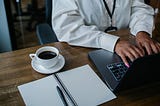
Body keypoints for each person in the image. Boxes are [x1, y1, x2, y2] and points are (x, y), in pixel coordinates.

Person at [52, 0, 160, 67]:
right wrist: (114, 43)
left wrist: (142, 31)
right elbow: (67, 28)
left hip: (128, 45)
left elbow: (138, 8)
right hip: (85, 50)